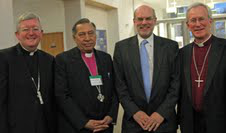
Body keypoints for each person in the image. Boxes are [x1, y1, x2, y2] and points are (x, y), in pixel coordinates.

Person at [113, 5, 179, 133]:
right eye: (140, 19)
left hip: (164, 122)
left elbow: (176, 84)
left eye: (148, 18)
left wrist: (161, 113)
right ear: (134, 21)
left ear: (155, 20)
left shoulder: (170, 47)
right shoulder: (121, 48)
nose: (144, 23)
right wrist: (135, 112)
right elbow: (119, 85)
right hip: (133, 122)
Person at [55, 18, 118, 133]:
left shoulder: (106, 58)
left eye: (91, 33)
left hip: (105, 125)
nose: (87, 38)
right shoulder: (63, 60)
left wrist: (111, 115)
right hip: (78, 126)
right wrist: (83, 122)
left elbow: (114, 89)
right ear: (74, 38)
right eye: (82, 34)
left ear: (95, 35)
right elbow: (62, 95)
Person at [0, 12, 56, 133]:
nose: (31, 33)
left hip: (46, 126)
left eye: (35, 29)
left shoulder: (50, 60)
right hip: (16, 127)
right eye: (25, 29)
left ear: (42, 33)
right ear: (17, 35)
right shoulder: (4, 58)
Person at [177, 2, 226, 133]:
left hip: (220, 122)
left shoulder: (224, 48)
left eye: (201, 19)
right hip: (190, 123)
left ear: (210, 21)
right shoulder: (182, 53)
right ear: (188, 25)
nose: (197, 24)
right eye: (193, 20)